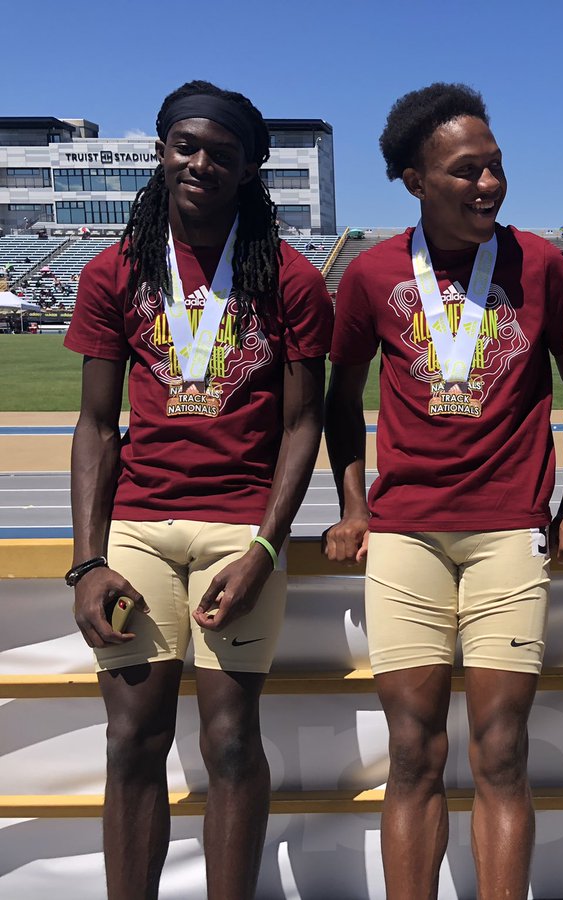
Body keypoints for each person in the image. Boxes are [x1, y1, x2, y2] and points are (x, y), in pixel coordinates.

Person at [323, 82, 563, 898]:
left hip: (508, 535)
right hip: (405, 534)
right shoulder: (373, 273)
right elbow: (341, 403)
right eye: (466, 171)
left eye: (496, 167)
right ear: (415, 180)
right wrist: (351, 507)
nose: (489, 185)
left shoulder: (541, 264)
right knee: (412, 754)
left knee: (500, 752)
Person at [65, 80, 333, 899]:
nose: (202, 162)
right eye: (187, 145)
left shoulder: (289, 279)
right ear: (161, 151)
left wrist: (263, 547)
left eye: (222, 152)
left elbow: (302, 425)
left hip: (238, 530)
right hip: (140, 530)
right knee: (133, 741)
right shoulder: (115, 272)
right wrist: (87, 562)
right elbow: (96, 426)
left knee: (229, 742)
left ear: (251, 168)